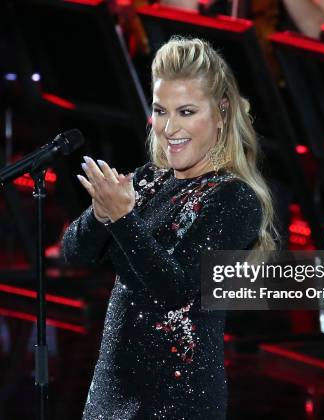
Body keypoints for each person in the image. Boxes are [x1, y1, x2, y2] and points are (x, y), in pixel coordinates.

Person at [62, 37, 277, 419]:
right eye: (161, 111)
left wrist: (123, 219)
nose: (169, 127)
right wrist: (100, 213)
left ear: (221, 112)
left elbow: (174, 290)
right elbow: (74, 252)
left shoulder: (235, 199)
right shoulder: (150, 180)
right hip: (110, 393)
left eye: (186, 111)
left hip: (178, 400)